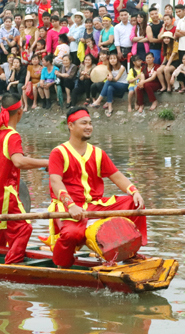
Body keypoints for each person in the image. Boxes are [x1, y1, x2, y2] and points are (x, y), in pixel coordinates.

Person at [47, 107, 147, 268]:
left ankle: (130, 252)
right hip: (69, 206)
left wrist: (134, 191)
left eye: (90, 123)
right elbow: (55, 181)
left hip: (95, 204)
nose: (89, 126)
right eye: (84, 123)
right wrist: (70, 205)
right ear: (70, 126)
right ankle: (62, 265)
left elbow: (117, 176)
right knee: (72, 234)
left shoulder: (98, 152)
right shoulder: (58, 152)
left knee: (133, 203)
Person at [0, 93, 49, 264]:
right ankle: (12, 264)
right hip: (6, 194)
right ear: (20, 112)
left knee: (1, 230)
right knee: (23, 229)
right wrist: (46, 162)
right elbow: (18, 162)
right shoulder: (12, 136)